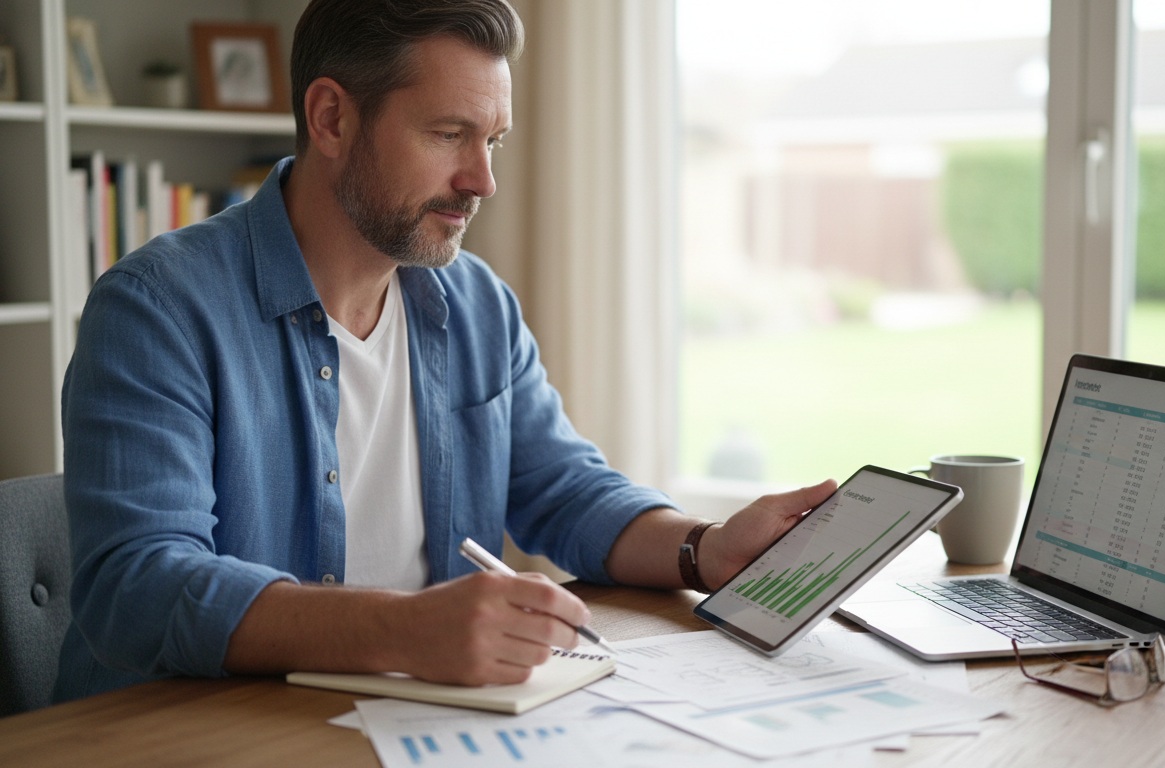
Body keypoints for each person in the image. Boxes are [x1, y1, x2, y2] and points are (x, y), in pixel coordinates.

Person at [54, 0, 836, 702]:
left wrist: (706, 549)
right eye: (448, 134)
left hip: (413, 725)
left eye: (492, 139)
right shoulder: (158, 308)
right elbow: (140, 586)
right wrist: (402, 631)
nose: (483, 180)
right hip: (189, 736)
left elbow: (564, 491)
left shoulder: (474, 303)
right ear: (330, 118)